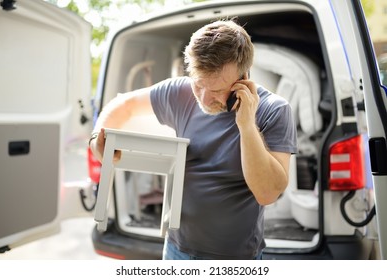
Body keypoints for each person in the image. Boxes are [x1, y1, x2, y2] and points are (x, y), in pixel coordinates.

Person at [89, 19, 297, 260]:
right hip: (177, 252)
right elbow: (122, 104)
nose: (206, 100)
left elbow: (268, 193)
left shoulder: (274, 110)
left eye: (218, 91)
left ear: (243, 77)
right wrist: (96, 140)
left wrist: (247, 125)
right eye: (199, 85)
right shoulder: (181, 93)